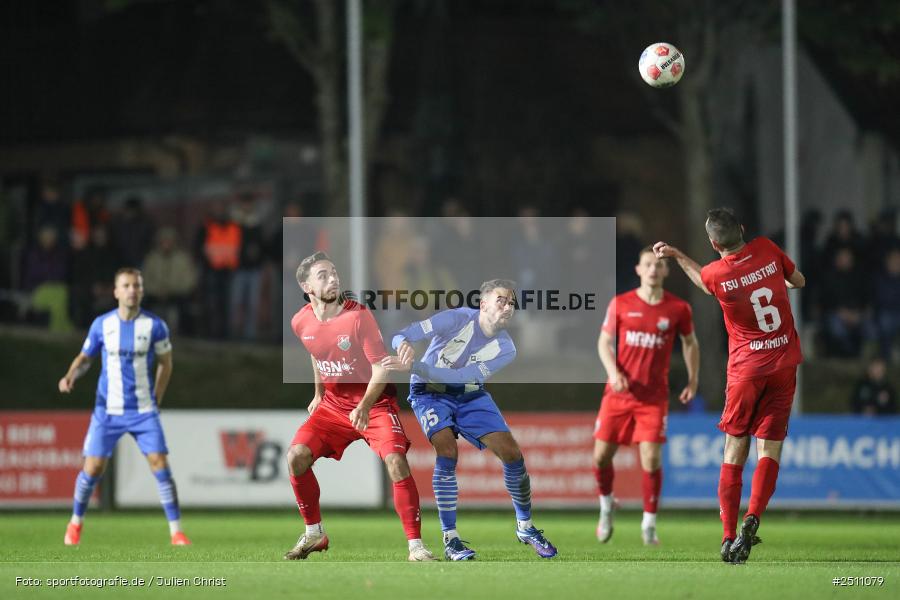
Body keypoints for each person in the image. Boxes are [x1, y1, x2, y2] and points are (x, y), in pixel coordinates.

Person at [654, 207, 805, 564]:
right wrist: (767, 278)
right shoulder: (768, 249)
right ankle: (754, 516)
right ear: (742, 228)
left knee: (734, 448)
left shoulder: (717, 274)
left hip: (746, 371)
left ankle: (727, 535)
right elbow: (797, 280)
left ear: (712, 242)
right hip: (783, 363)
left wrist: (676, 256)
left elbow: (702, 280)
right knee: (769, 449)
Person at [383, 279, 558, 561]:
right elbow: (403, 333)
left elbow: (461, 378)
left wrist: (413, 365)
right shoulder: (456, 318)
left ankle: (525, 526)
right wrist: (402, 344)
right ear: (483, 303)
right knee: (447, 451)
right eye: (501, 300)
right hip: (428, 394)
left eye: (511, 303)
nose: (508, 306)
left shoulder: (506, 348)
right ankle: (451, 539)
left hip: (469, 394)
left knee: (513, 455)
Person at [284, 251, 435, 562]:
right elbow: (317, 352)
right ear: (307, 286)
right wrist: (317, 393)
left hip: (374, 404)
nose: (333, 278)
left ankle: (416, 547)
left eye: (334, 272)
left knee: (396, 462)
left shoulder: (357, 316)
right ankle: (314, 533)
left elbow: (381, 367)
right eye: (323, 275)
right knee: (296, 457)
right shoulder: (300, 321)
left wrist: (365, 406)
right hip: (333, 407)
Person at [57, 268, 189, 546]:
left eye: (137, 286)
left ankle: (176, 532)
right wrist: (70, 376)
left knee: (160, 464)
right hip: (107, 410)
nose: (132, 290)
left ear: (142, 291)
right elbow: (85, 358)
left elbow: (166, 363)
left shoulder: (155, 326)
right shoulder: (102, 325)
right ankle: (75, 524)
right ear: (116, 291)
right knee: (92, 469)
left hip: (143, 411)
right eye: (127, 285)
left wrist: (157, 397)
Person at [594, 246, 699, 546]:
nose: (653, 269)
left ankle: (649, 524)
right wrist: (614, 373)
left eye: (658, 265)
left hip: (653, 398)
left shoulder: (678, 309)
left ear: (666, 271)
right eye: (647, 264)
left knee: (651, 459)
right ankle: (606, 506)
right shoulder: (621, 304)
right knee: (601, 457)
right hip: (619, 394)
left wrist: (693, 379)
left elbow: (690, 343)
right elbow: (604, 343)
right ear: (639, 270)